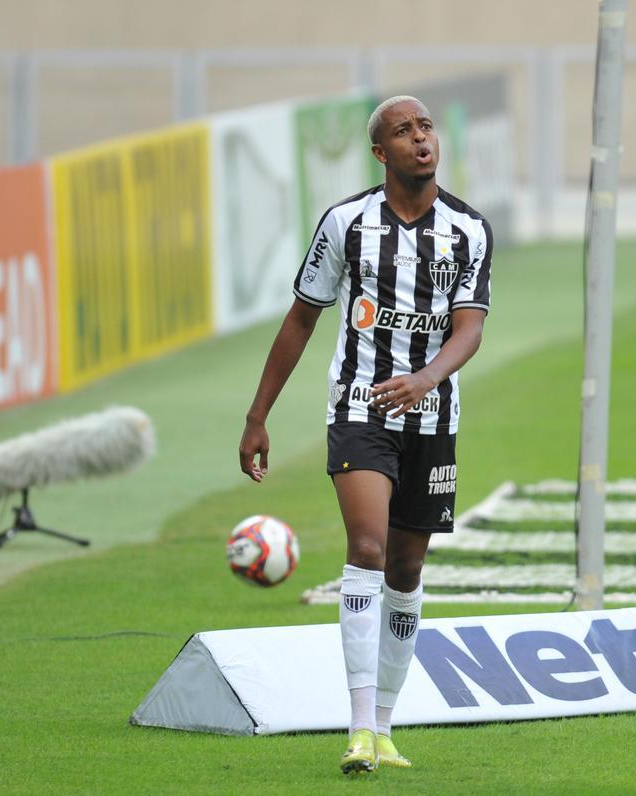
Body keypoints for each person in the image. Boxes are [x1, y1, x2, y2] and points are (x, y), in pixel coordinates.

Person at [238, 95, 493, 774]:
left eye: (426, 127)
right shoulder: (346, 223)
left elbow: (469, 327)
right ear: (381, 153)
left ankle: (384, 725)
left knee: (408, 568)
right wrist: (257, 415)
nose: (420, 139)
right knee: (369, 547)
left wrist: (426, 379)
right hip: (361, 409)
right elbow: (302, 317)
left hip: (434, 419)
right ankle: (356, 732)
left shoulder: (468, 230)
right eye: (403, 132)